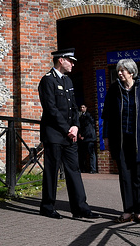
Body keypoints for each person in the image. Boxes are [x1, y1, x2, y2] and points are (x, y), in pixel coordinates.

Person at [38, 48, 99, 220]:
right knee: (52, 171)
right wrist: (67, 129)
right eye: (70, 61)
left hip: (69, 134)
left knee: (74, 170)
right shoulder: (47, 81)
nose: (73, 64)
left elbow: (74, 107)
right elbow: (51, 109)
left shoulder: (68, 81)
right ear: (61, 60)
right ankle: (47, 206)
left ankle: (80, 208)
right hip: (55, 134)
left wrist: (76, 127)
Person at [101, 58, 140, 224]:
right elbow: (107, 116)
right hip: (120, 140)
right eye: (118, 70)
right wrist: (105, 137)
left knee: (137, 176)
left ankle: (138, 212)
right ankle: (127, 211)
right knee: (124, 176)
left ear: (131, 72)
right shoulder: (114, 89)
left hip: (138, 140)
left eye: (122, 70)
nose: (119, 73)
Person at [78, 104, 97, 174]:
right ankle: (83, 168)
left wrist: (83, 135)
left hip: (89, 137)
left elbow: (87, 127)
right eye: (81, 107)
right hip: (84, 138)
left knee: (91, 153)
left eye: (83, 107)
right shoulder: (81, 117)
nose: (82, 108)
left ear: (86, 108)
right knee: (83, 154)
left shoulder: (88, 116)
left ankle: (93, 168)